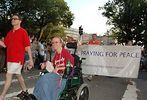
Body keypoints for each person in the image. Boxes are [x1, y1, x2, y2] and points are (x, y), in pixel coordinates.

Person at [0, 14, 33, 100]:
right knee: (18, 75)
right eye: (12, 19)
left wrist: (31, 60)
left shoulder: (23, 32)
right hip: (9, 59)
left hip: (17, 59)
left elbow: (27, 47)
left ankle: (2, 96)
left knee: (8, 75)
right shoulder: (10, 32)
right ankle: (25, 91)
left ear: (20, 21)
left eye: (15, 19)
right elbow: (4, 45)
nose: (13, 20)